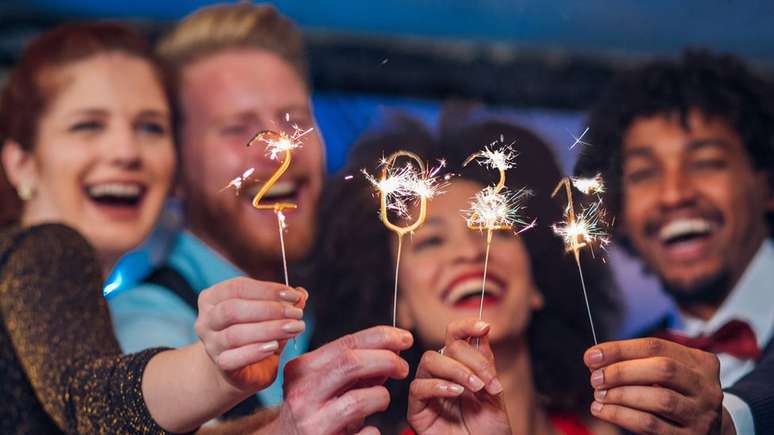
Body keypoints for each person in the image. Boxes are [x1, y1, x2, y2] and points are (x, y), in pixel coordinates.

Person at [0, 22, 309, 433]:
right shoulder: (47, 248)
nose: (126, 152)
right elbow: (91, 400)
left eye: (151, 127)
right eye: (87, 125)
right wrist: (214, 369)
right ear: (20, 162)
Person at [309, 112, 622, 434]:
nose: (471, 252)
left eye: (494, 229)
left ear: (536, 284)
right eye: (431, 241)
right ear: (399, 305)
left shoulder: (611, 426)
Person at [107, 2, 323, 411]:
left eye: (294, 119)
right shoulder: (147, 324)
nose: (279, 152)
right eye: (238, 128)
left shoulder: (350, 295)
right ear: (176, 166)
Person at [574, 50, 774, 434]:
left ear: (766, 183)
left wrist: (729, 419)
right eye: (644, 173)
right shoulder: (616, 379)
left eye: (705, 162)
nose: (673, 194)